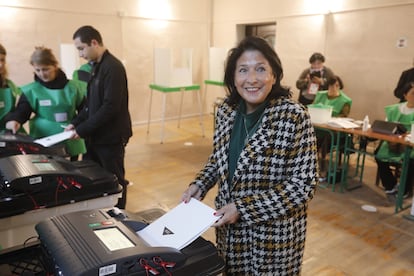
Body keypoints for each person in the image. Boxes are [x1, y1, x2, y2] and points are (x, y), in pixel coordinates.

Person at [181, 36, 318, 275]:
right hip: (230, 233)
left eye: (261, 69)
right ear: (233, 78)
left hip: (273, 238)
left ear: (274, 75)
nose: (252, 79)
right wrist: (200, 184)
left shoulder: (294, 116)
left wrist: (243, 209)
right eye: (243, 70)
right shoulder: (226, 111)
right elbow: (219, 158)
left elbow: (303, 185)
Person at [67, 25, 132, 209]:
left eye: (81, 48)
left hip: (110, 137)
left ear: (94, 43)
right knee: (92, 177)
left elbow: (110, 107)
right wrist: (76, 124)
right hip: (95, 136)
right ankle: (99, 212)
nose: (80, 54)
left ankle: (119, 215)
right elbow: (90, 105)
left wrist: (82, 129)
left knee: (115, 180)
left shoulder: (113, 67)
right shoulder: (95, 66)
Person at [5, 46, 86, 159]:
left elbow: (85, 110)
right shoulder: (31, 90)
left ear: (55, 66)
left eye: (46, 69)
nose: (42, 74)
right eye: (38, 70)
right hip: (43, 137)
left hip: (70, 135)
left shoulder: (74, 88)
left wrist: (78, 125)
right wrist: (15, 120)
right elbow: (22, 111)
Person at [376, 81, 414, 200]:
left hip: (410, 144)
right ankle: (390, 184)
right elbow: (387, 125)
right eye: (413, 93)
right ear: (405, 95)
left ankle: (405, 189)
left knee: (410, 160)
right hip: (393, 142)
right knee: (379, 155)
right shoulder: (395, 109)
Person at [312, 76, 352, 178]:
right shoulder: (320, 95)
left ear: (340, 86)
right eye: (331, 85)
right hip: (318, 126)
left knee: (325, 140)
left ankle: (322, 170)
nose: (333, 87)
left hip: (333, 129)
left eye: (336, 85)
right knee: (310, 137)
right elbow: (313, 108)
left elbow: (344, 115)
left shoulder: (345, 100)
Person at [0, 43, 22, 132]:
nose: (0, 65)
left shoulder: (9, 85)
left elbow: (19, 106)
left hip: (8, 134)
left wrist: (15, 119)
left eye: (2, 60)